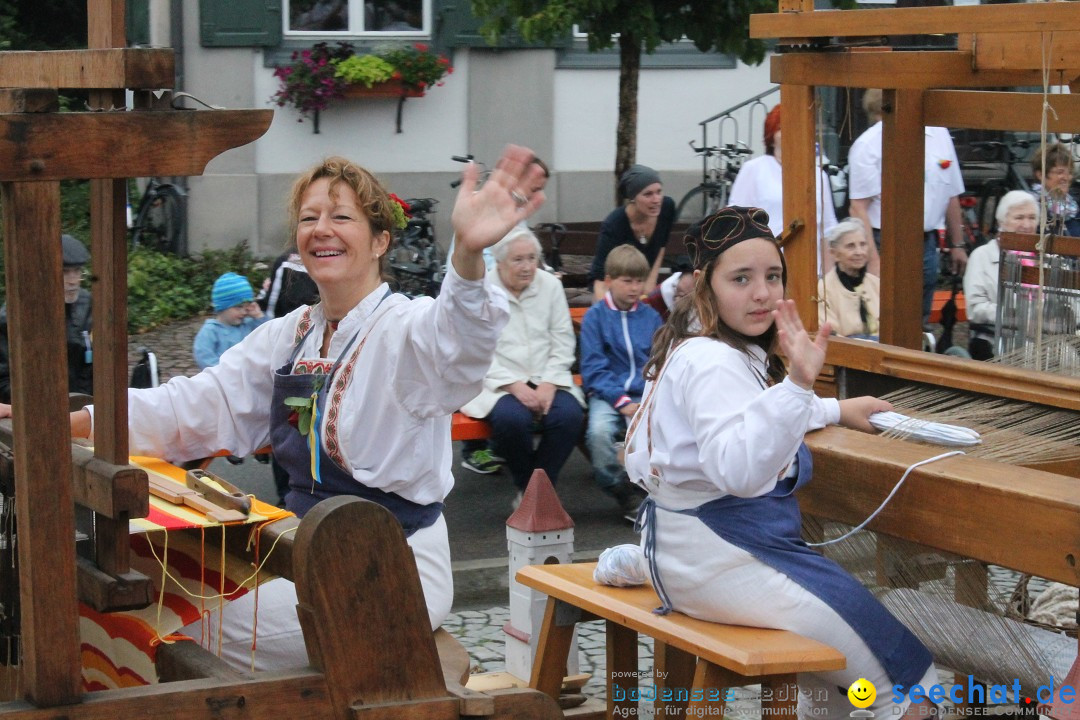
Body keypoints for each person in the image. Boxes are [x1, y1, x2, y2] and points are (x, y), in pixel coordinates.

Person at [0, 147, 547, 670]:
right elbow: (201, 403)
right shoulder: (293, 333)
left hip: (388, 567)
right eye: (309, 218)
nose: (321, 229)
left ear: (381, 240)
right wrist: (72, 421)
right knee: (132, 580)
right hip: (297, 548)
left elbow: (461, 339)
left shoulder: (407, 328)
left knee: (175, 629)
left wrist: (469, 254)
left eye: (341, 216)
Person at [624, 206, 938, 719]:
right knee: (909, 685)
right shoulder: (713, 361)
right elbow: (740, 472)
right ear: (705, 285)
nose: (762, 293)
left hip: (688, 557)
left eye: (772, 277)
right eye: (741, 279)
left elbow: (746, 414)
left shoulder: (696, 345)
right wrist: (798, 384)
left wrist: (836, 408)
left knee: (828, 683)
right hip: (728, 561)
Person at [460, 227, 585, 507]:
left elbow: (563, 339)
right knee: (512, 420)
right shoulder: (482, 290)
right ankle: (535, 493)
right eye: (518, 260)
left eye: (532, 258)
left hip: (546, 377)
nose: (527, 266)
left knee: (569, 416)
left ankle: (533, 495)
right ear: (500, 262)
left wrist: (550, 382)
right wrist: (513, 385)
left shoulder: (550, 286)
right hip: (497, 383)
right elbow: (476, 349)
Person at [457, 157, 550, 476]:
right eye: (534, 188)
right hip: (482, 301)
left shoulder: (517, 218)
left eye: (541, 189)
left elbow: (524, 256)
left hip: (509, 305)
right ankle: (475, 447)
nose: (538, 196)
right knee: (488, 362)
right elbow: (475, 261)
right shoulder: (490, 211)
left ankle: (532, 479)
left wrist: (541, 273)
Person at [847, 89, 968, 326]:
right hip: (886, 240)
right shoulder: (868, 146)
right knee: (883, 319)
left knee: (919, 319)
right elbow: (858, 208)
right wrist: (874, 259)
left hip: (927, 241)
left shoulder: (939, 134)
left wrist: (958, 244)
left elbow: (951, 192)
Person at [580, 245, 660, 521]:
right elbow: (593, 367)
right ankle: (621, 490)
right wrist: (622, 402)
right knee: (599, 433)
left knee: (661, 434)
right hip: (606, 395)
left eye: (639, 280)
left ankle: (653, 493)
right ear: (609, 280)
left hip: (645, 393)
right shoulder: (595, 317)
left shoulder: (651, 317)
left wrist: (649, 396)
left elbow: (658, 362)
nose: (634, 287)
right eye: (627, 281)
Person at [727, 104, 837, 264]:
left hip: (811, 266)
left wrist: (829, 276)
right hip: (767, 264)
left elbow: (828, 228)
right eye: (782, 128)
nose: (790, 133)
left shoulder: (818, 174)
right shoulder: (754, 169)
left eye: (796, 127)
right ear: (771, 136)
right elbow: (736, 220)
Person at [0, 234, 93, 403]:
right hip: (34, 412)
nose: (73, 281)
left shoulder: (88, 306)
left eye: (78, 271)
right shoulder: (13, 317)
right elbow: (4, 381)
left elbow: (95, 367)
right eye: (65, 273)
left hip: (83, 409)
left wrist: (83, 406)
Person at [963, 190, 1038, 360]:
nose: (1026, 225)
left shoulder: (1045, 258)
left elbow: (1072, 301)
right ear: (1001, 222)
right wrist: (1016, 315)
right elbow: (975, 309)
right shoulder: (982, 256)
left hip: (1043, 339)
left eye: (1032, 218)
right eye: (1019, 218)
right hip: (996, 339)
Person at [589, 164, 676, 301]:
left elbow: (661, 246)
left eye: (659, 192)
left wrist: (650, 284)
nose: (656, 200)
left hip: (643, 290)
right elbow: (600, 279)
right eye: (648, 194)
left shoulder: (667, 208)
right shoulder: (614, 224)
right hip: (616, 293)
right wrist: (606, 315)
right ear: (633, 198)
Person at [816, 218, 881, 340]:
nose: (859, 252)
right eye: (850, 246)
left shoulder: (876, 283)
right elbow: (830, 334)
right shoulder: (824, 289)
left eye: (863, 244)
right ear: (834, 253)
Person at [192, 273, 268, 370]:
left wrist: (258, 316)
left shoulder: (248, 324)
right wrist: (223, 373)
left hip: (248, 378)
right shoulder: (210, 331)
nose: (244, 311)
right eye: (239, 307)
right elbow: (204, 357)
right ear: (223, 306)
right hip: (221, 381)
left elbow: (267, 335)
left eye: (247, 307)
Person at [1029, 142, 1080, 237]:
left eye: (1069, 172)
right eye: (1060, 172)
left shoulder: (1075, 206)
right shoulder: (1031, 207)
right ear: (1040, 174)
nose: (1066, 177)